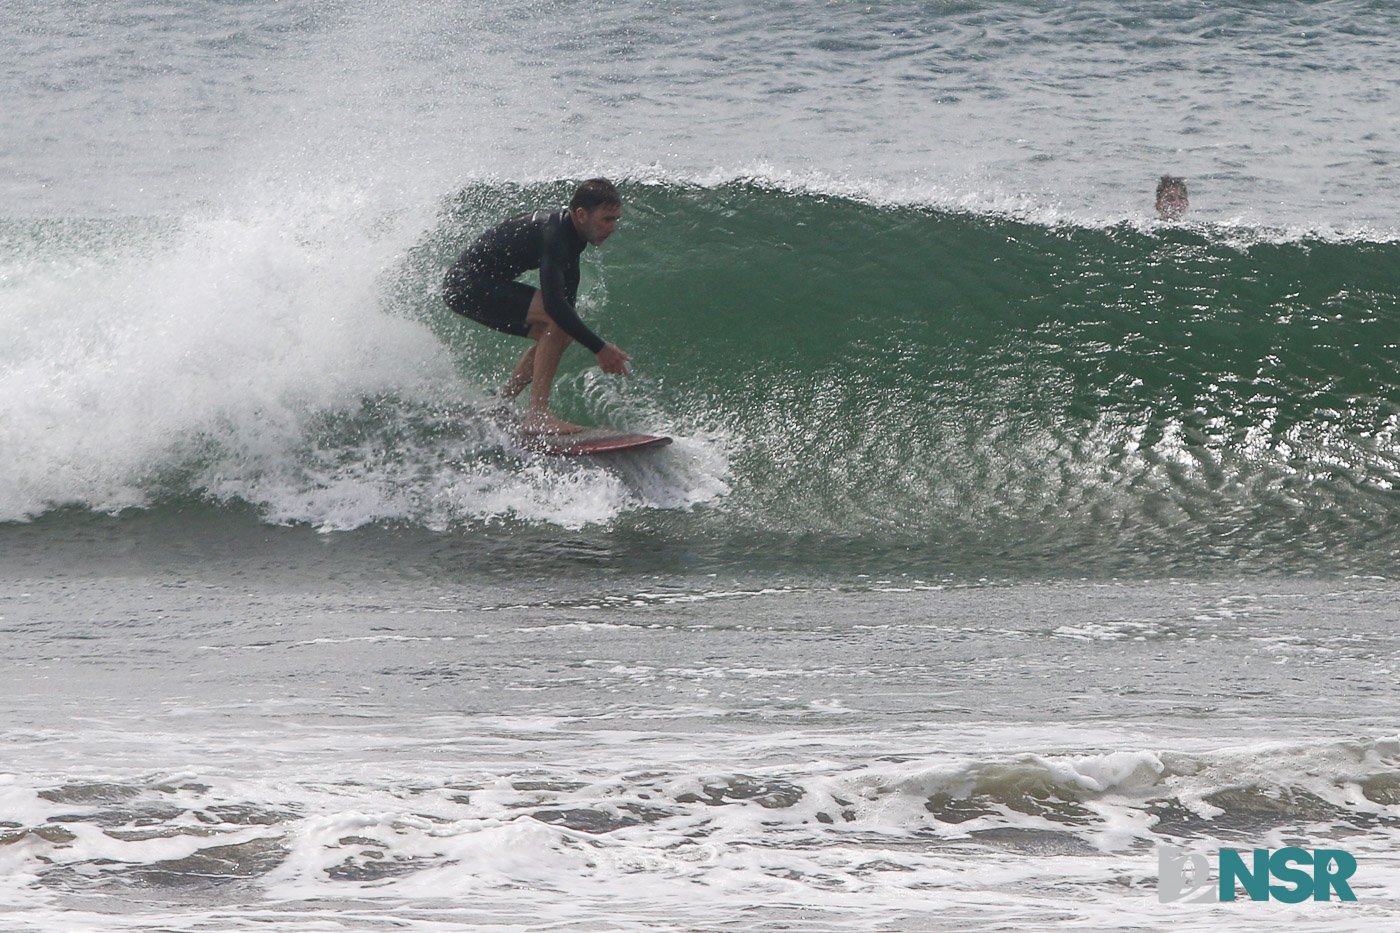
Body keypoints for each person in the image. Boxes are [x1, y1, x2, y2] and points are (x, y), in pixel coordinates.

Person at [442, 178, 631, 435]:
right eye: (607, 219)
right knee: (558, 321)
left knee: (559, 332)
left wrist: (577, 334)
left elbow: (566, 308)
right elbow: (554, 305)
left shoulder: (573, 237)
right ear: (581, 214)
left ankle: (502, 404)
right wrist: (600, 349)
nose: (613, 228)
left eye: (616, 220)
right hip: (466, 285)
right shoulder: (554, 233)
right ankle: (538, 416)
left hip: (476, 286)